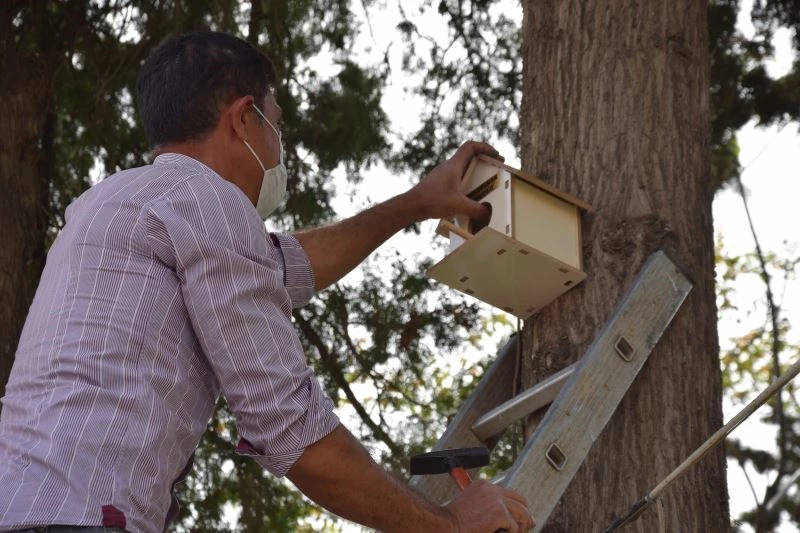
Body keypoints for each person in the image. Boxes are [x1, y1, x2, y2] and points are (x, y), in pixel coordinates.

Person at [0, 31, 534, 533]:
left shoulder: (113, 203)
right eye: (276, 127)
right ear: (243, 119)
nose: (279, 151)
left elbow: (285, 267)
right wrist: (449, 524)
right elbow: (291, 431)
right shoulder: (210, 201)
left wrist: (416, 203)